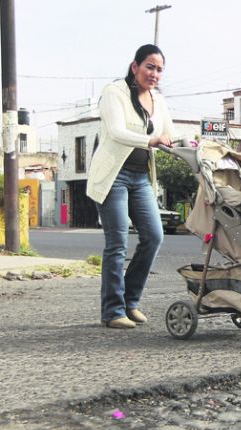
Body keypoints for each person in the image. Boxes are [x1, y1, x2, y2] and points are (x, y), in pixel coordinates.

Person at [86, 44, 182, 329]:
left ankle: (130, 301)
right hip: (113, 175)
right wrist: (152, 140)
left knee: (154, 236)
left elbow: (171, 135)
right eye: (149, 67)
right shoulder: (114, 93)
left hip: (141, 178)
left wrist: (195, 147)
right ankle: (113, 311)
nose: (154, 74)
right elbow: (117, 132)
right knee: (117, 243)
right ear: (135, 67)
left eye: (159, 69)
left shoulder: (158, 100)